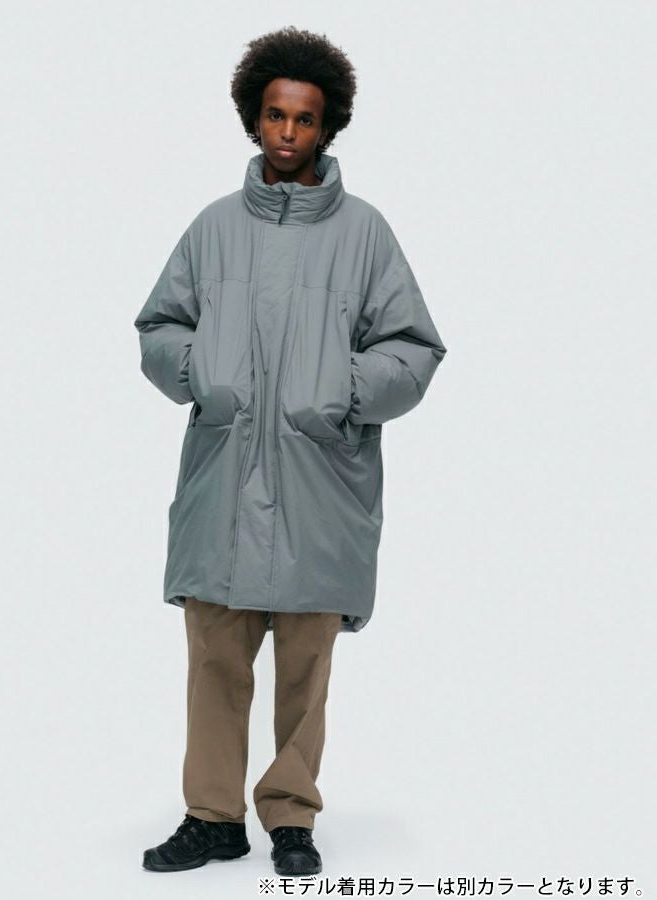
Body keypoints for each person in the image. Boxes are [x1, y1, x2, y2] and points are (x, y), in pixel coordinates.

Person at [134, 26, 448, 877]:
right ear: (253, 117)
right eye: (275, 115)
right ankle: (212, 817)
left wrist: (338, 388)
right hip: (224, 483)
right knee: (214, 660)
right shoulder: (213, 228)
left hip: (318, 487)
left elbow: (414, 349)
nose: (287, 132)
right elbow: (159, 327)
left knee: (305, 669)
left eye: (305, 119)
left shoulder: (365, 234)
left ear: (328, 125)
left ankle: (291, 816)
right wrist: (201, 370)